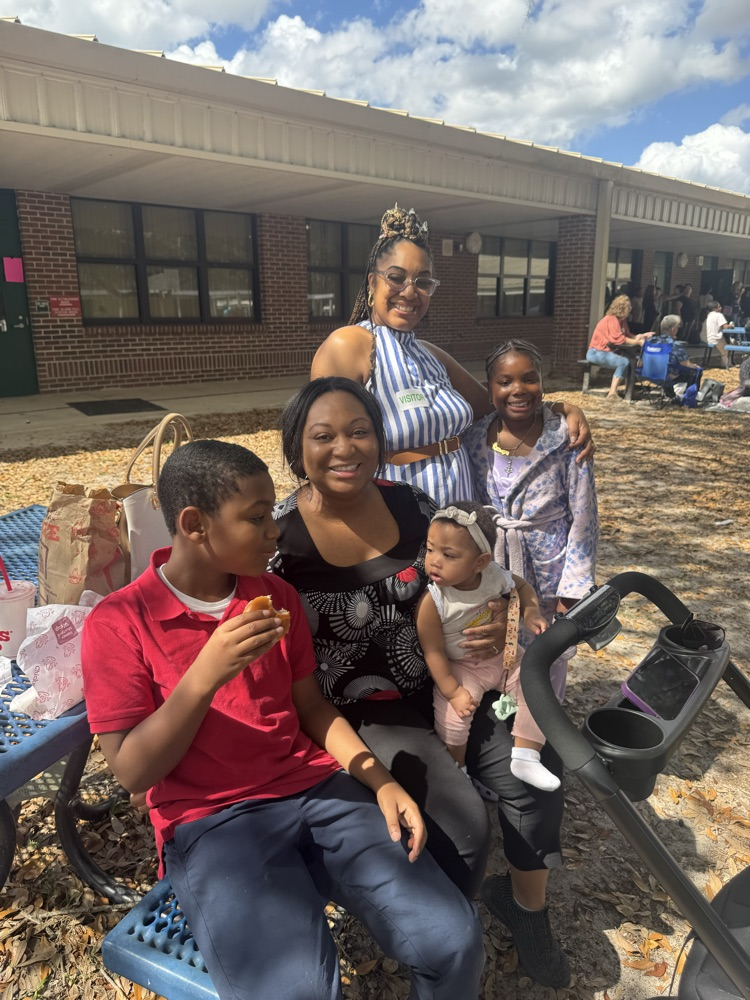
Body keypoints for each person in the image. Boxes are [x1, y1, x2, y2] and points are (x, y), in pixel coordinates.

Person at [80, 439, 484, 1000]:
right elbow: (131, 771)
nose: (274, 531)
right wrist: (203, 677)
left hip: (315, 787)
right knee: (298, 991)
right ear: (194, 525)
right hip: (212, 820)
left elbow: (312, 707)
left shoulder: (275, 597)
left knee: (453, 940)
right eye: (255, 518)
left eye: (271, 513)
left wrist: (381, 781)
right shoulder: (120, 622)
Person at [272, 376, 572, 989]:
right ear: (297, 446)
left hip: (453, 679)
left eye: (360, 431)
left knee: (536, 770)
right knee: (466, 828)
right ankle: (440, 942)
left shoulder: (413, 504)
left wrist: (499, 622)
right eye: (323, 436)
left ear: (380, 439)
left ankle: (525, 907)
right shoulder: (280, 537)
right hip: (362, 711)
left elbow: (479, 575)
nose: (345, 448)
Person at [310, 204, 593, 507]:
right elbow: (323, 448)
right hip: (396, 515)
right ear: (372, 282)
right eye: (396, 277)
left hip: (457, 516)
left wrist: (558, 410)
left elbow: (494, 407)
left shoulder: (430, 355)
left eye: (423, 282)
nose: (410, 292)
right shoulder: (349, 345)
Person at [463, 338, 598, 806]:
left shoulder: (565, 438)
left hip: (549, 567)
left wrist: (575, 584)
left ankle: (536, 745)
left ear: (543, 383)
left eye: (529, 378)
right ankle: (498, 744)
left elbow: (584, 515)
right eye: (505, 381)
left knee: (547, 655)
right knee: (496, 651)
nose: (518, 389)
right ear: (490, 388)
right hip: (495, 564)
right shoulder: (475, 438)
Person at [416, 501, 560, 791]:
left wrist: (530, 612)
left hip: (503, 657)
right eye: (430, 550)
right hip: (462, 666)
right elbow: (433, 651)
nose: (434, 561)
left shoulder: (494, 575)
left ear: (480, 562)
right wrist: (452, 691)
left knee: (535, 682)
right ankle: (458, 768)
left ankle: (526, 755)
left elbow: (522, 587)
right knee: (455, 715)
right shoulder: (434, 600)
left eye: (448, 554)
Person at [585, 294, 650, 399]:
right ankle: (612, 393)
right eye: (629, 307)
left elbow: (627, 335)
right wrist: (637, 342)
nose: (630, 309)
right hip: (596, 352)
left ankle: (629, 391)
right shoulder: (611, 319)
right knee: (623, 362)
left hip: (606, 352)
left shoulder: (621, 321)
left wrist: (640, 336)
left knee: (632, 362)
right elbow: (618, 339)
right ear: (622, 308)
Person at [648, 315, 702, 391]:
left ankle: (670, 393)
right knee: (696, 370)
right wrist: (695, 366)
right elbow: (686, 365)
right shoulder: (675, 345)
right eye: (678, 327)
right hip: (667, 377)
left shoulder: (650, 341)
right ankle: (688, 396)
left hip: (649, 374)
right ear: (673, 329)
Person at [705, 300, 733, 368]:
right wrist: (731, 325)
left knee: (727, 345)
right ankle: (727, 365)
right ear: (714, 308)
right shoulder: (719, 315)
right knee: (726, 351)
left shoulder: (709, 315)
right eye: (719, 307)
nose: (721, 308)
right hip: (717, 338)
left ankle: (725, 364)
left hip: (708, 337)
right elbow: (725, 326)